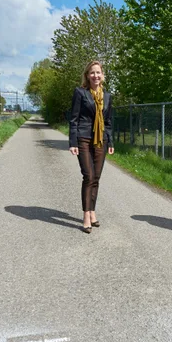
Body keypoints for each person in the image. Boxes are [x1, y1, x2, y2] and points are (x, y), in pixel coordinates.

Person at [69, 60, 114, 233]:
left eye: (98, 72)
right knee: (88, 176)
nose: (95, 76)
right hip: (83, 138)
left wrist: (110, 142)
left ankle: (93, 211)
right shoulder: (80, 93)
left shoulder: (108, 97)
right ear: (87, 76)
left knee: (96, 177)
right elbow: (73, 119)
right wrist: (73, 142)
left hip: (101, 140)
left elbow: (108, 122)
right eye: (92, 73)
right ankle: (86, 215)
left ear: (103, 76)